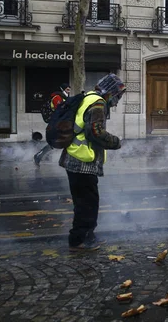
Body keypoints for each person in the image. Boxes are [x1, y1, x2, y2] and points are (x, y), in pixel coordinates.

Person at [59, 74, 125, 251]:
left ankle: (87, 236)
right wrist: (116, 142)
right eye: (117, 96)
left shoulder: (89, 97)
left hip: (74, 159)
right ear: (110, 93)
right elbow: (95, 132)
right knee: (87, 204)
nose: (117, 101)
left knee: (85, 202)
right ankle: (79, 240)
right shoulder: (98, 104)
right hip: (82, 162)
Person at [34, 83, 71, 165]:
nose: (68, 88)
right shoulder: (57, 97)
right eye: (66, 88)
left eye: (69, 87)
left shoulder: (66, 98)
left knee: (59, 141)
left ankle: (40, 155)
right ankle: (39, 155)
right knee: (58, 141)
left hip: (61, 123)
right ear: (62, 89)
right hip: (56, 123)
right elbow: (60, 110)